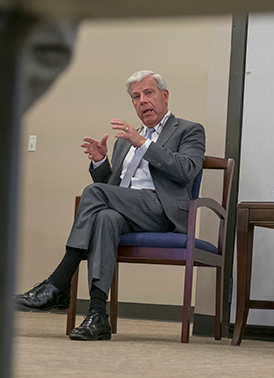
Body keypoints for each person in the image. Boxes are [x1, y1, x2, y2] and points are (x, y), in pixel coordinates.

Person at [15, 70, 206, 341]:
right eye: (136, 97)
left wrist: (143, 143)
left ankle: (58, 284)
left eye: (149, 93)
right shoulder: (123, 141)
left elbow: (187, 170)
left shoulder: (188, 130)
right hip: (129, 211)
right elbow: (112, 190)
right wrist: (100, 163)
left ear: (164, 96)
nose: (142, 101)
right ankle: (97, 315)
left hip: (163, 212)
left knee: (94, 194)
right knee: (105, 218)